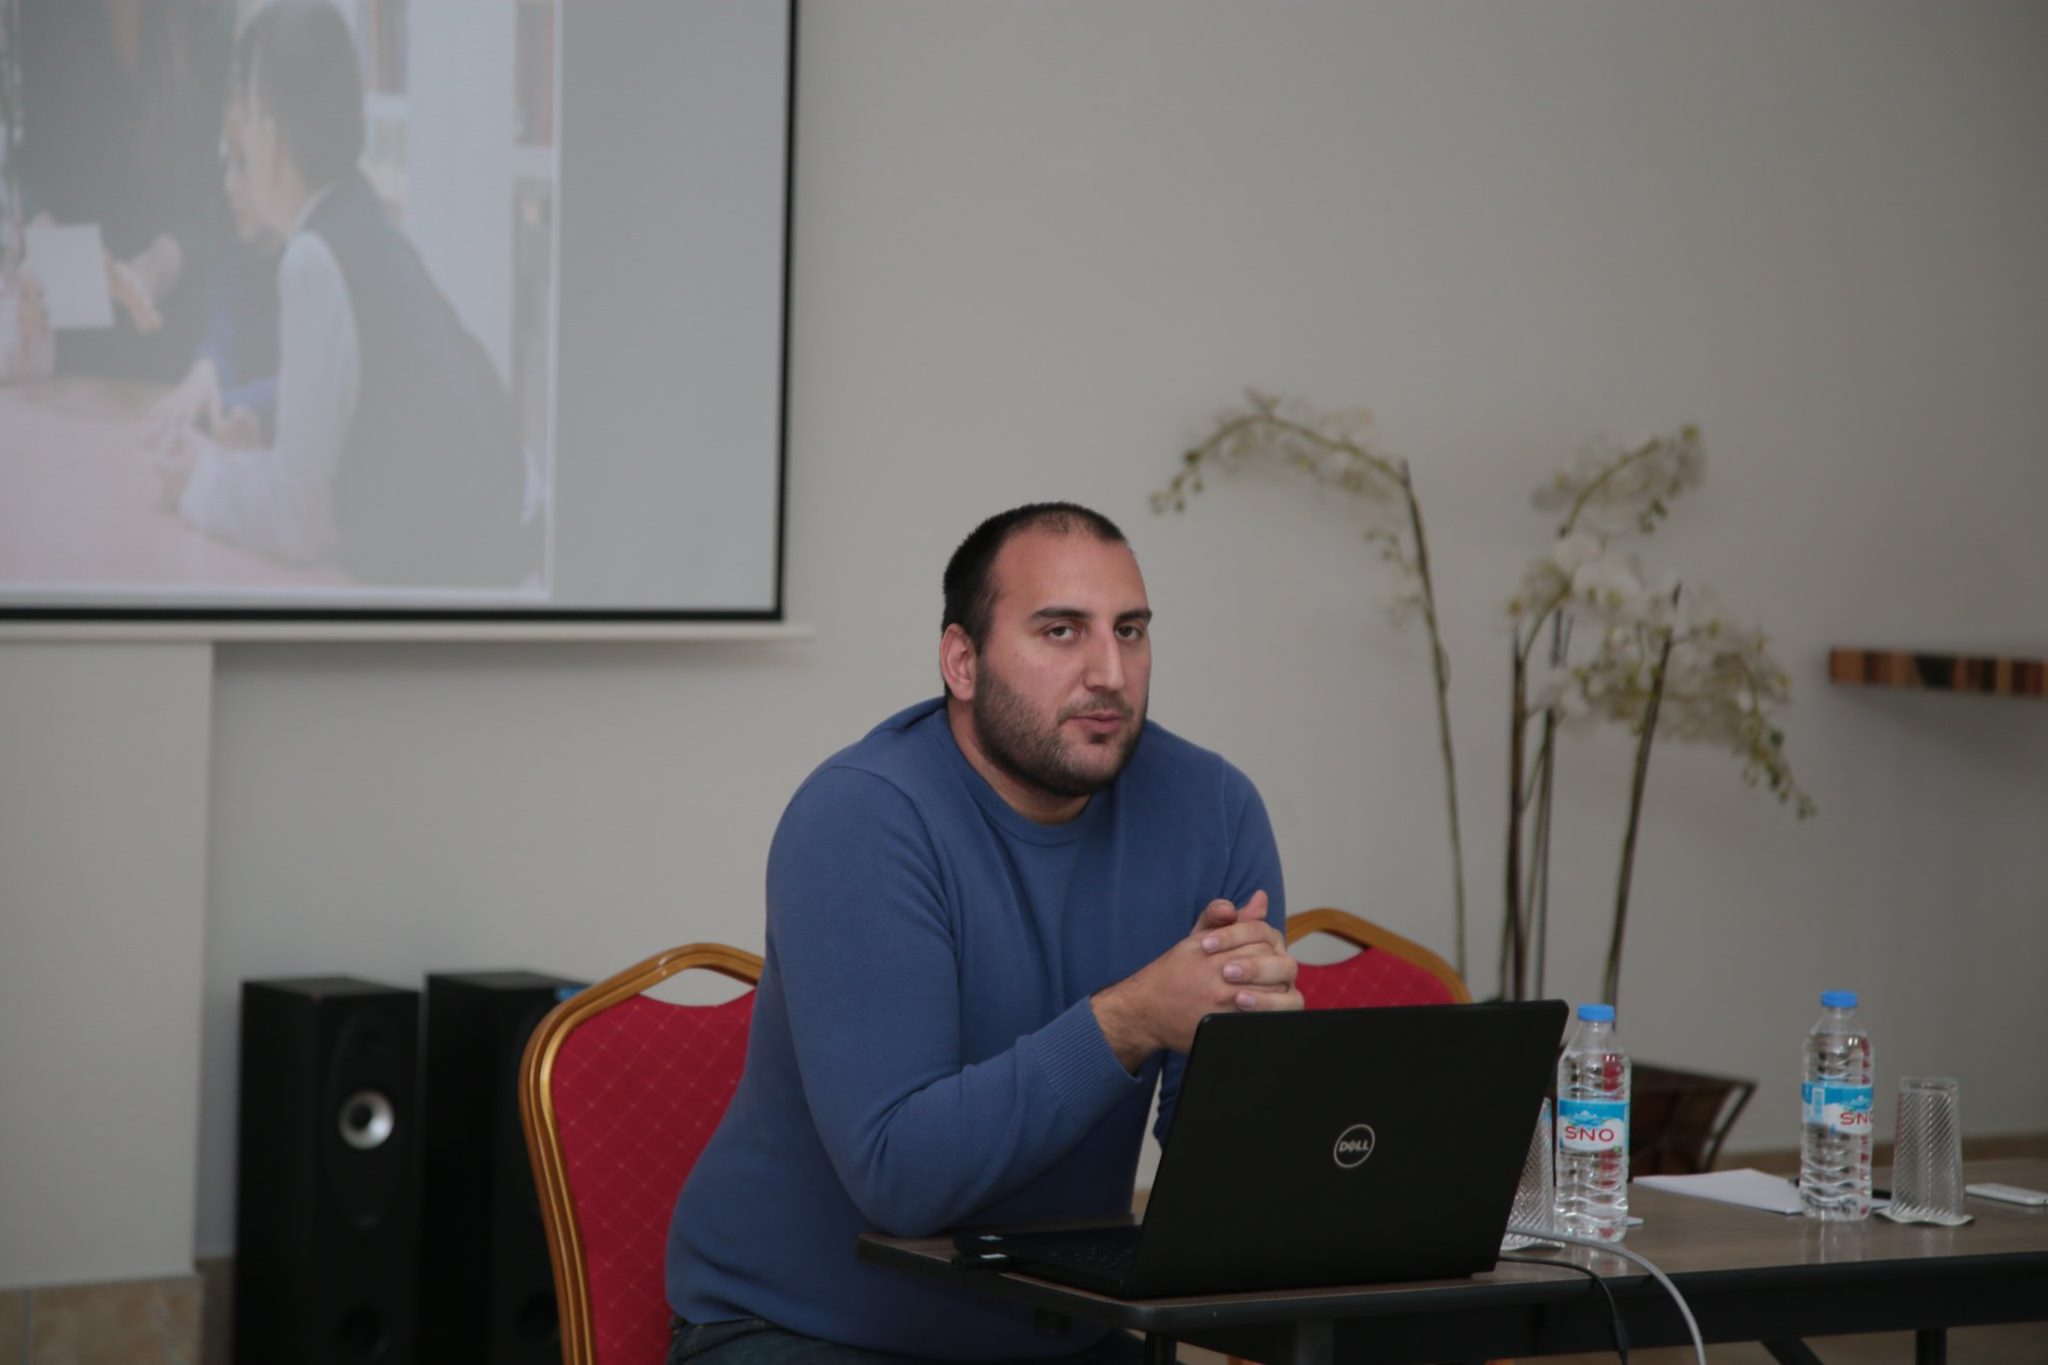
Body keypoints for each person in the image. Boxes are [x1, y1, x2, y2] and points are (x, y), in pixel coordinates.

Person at [667, 502, 1303, 1364]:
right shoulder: (861, 817)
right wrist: (1128, 1019)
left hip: (1065, 1321)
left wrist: (1257, 1070)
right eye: (1061, 631)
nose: (1109, 671)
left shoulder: (1214, 809)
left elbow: (1221, 1180)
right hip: (807, 1330)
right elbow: (901, 1180)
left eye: (1130, 630)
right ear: (962, 661)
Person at [154, 0, 535, 588]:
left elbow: (295, 523)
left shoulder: (311, 261)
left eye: (247, 120)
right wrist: (251, 460)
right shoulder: (357, 214)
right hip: (497, 543)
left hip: (463, 584)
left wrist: (196, 483)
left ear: (272, 142)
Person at [145, 92, 282, 451]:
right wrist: (205, 370)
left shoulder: (312, 264)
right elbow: (222, 329)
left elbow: (302, 387)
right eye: (228, 161)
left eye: (244, 163)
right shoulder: (243, 250)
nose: (228, 184)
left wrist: (224, 404)